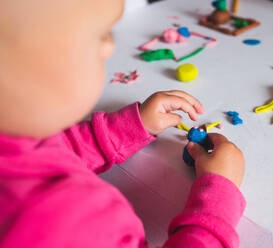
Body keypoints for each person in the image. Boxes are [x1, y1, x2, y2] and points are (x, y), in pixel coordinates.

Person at [0, 0, 246, 247]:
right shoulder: (66, 222)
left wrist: (124, 130)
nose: (109, 47)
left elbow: (50, 151)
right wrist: (217, 203)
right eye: (99, 35)